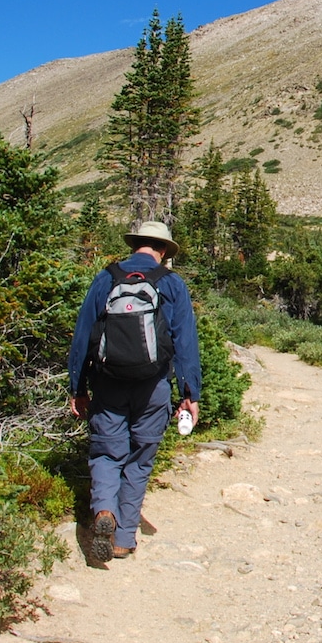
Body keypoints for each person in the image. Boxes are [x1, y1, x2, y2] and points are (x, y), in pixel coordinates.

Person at [67, 220, 201, 563]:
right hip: (153, 386)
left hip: (107, 381)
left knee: (106, 452)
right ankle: (123, 538)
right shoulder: (171, 283)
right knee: (140, 459)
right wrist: (190, 393)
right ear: (163, 251)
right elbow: (185, 344)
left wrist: (77, 387)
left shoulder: (106, 278)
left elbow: (83, 336)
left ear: (135, 244)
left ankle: (103, 512)